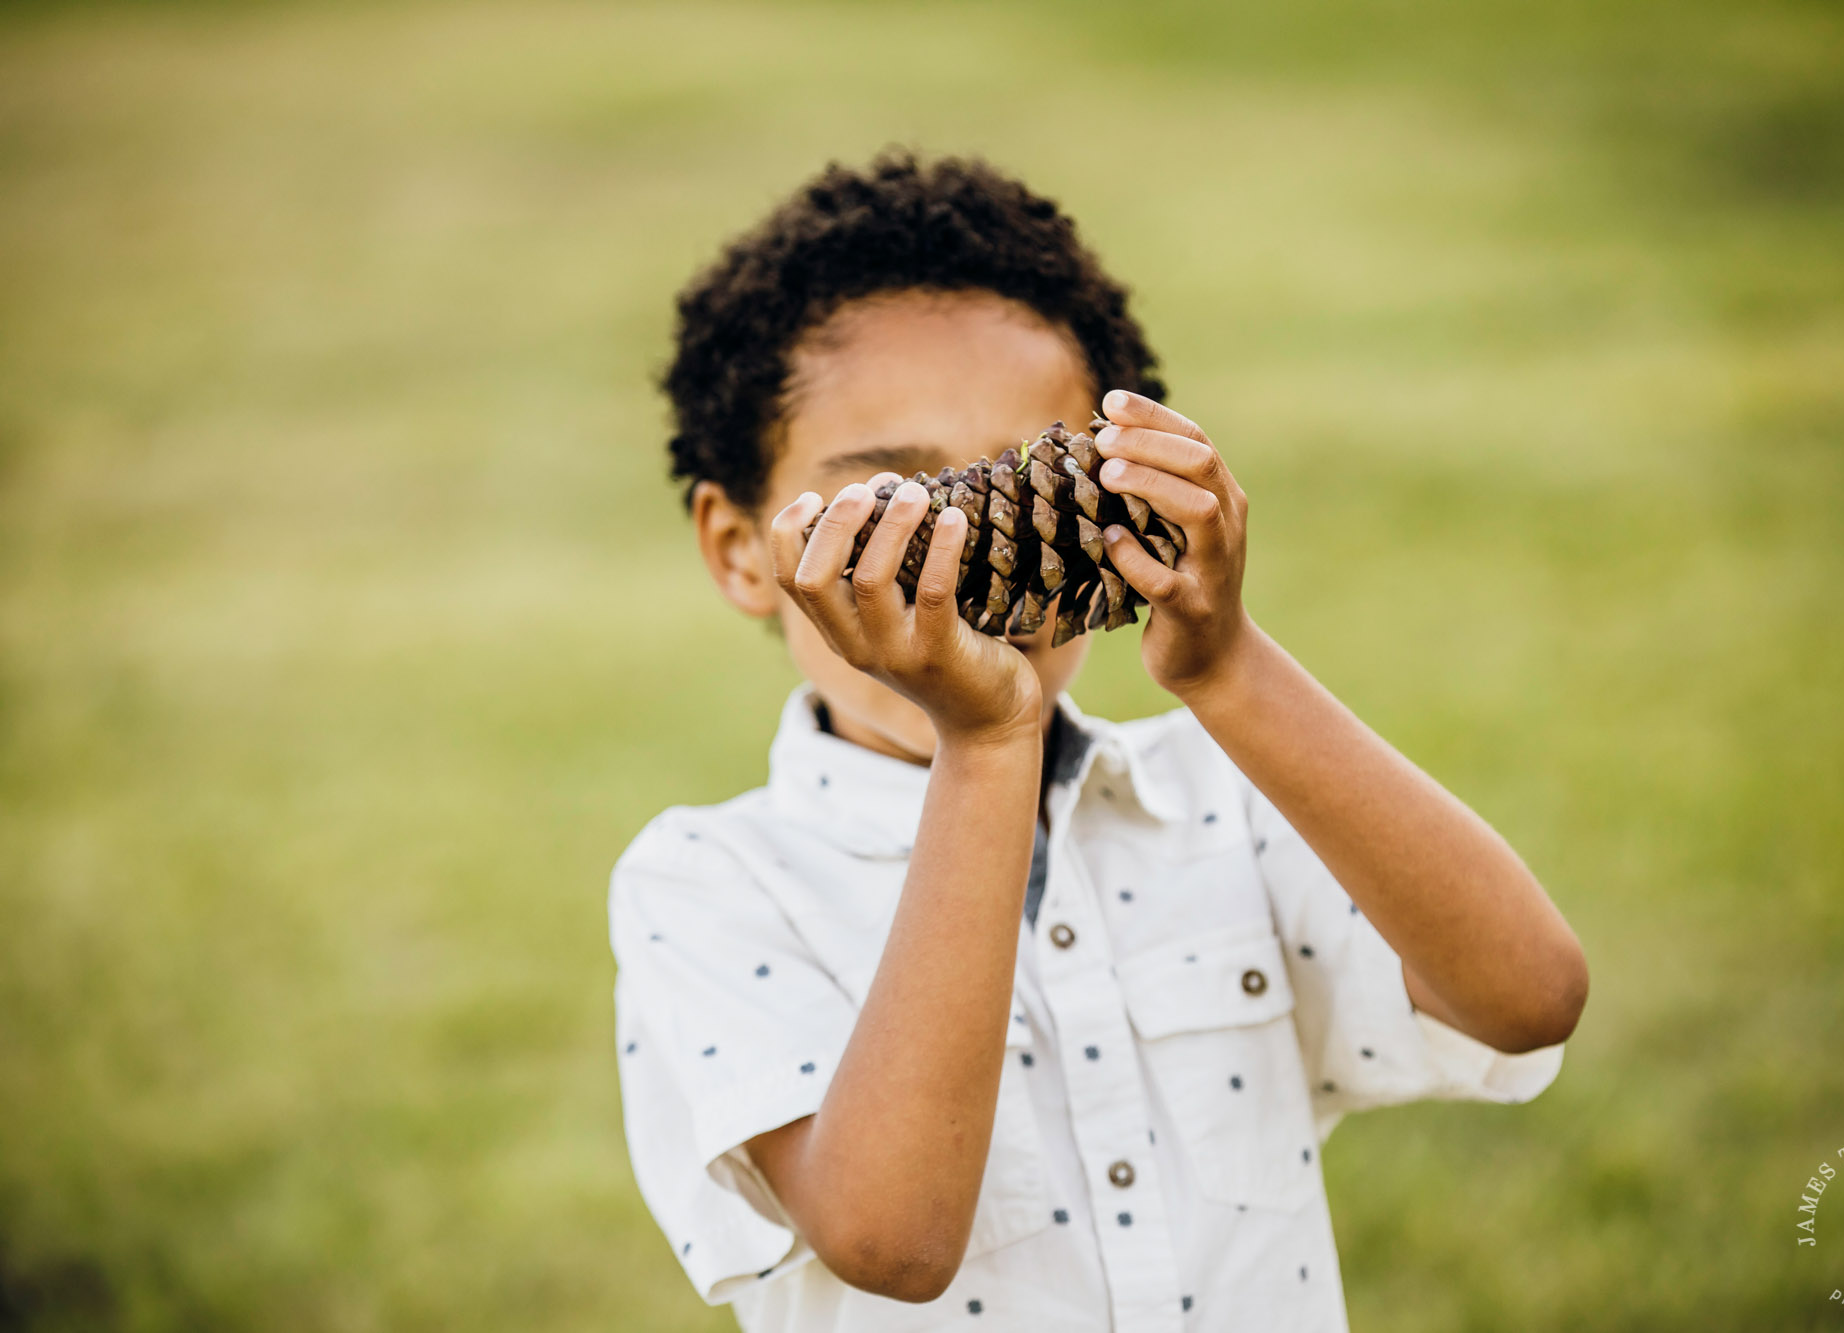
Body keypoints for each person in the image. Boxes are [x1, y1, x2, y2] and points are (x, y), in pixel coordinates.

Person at [610, 151, 1588, 1332]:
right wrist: (986, 744)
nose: (978, 550)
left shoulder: (1222, 800)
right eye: (897, 496)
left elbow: (1525, 996)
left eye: (1037, 487)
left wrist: (1227, 668)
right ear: (735, 546)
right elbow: (893, 1239)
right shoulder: (709, 884)